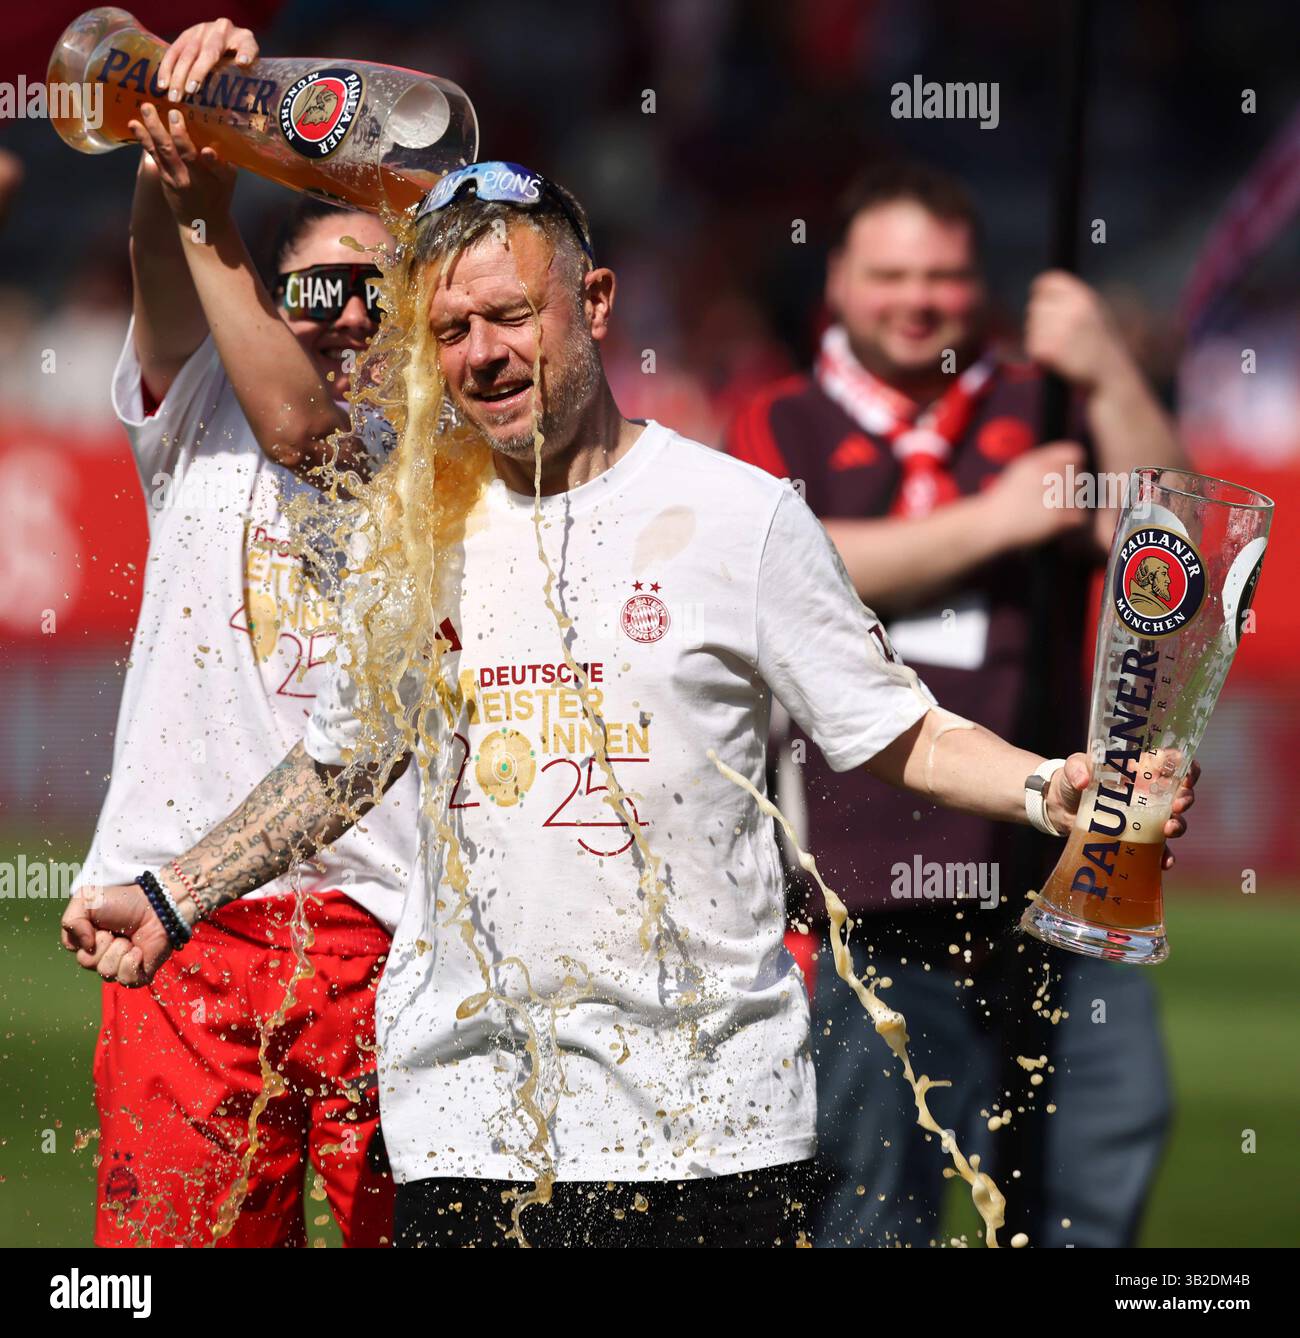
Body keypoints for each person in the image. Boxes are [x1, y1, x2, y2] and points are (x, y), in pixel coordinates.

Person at [61, 161, 1198, 1250]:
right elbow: (342, 766)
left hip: (714, 1125)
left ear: (594, 302)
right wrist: (176, 894)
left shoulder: (738, 517)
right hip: (471, 1122)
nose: (483, 356)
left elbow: (895, 729)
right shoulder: (412, 533)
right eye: (451, 332)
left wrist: (1051, 786)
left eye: (509, 316)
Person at [727, 161, 1186, 1247]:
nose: (917, 300)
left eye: (943, 275)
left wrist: (1109, 369)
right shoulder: (778, 421)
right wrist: (995, 521)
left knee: (1085, 1196)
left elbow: (1171, 542)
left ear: (982, 282)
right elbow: (783, 570)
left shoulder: (1047, 404)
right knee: (866, 1217)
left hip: (1065, 876)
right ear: (837, 279)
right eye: (889, 274)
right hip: (864, 907)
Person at [68, 19, 416, 1248]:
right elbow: (163, 259)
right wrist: (177, 127)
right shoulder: (196, 391)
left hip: (396, 932)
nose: (343, 315)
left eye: (375, 291)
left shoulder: (451, 450)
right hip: (185, 917)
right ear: (271, 292)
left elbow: (304, 433)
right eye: (314, 287)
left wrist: (214, 208)